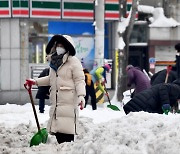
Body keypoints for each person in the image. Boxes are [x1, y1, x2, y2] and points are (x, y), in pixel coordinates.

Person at [24, 34, 86, 144]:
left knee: (66, 138)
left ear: (68, 47)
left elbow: (79, 80)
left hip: (68, 104)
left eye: (62, 45)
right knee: (58, 136)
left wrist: (81, 96)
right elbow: (51, 79)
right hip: (57, 106)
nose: (59, 47)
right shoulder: (54, 63)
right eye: (57, 45)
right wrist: (35, 82)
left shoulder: (73, 62)